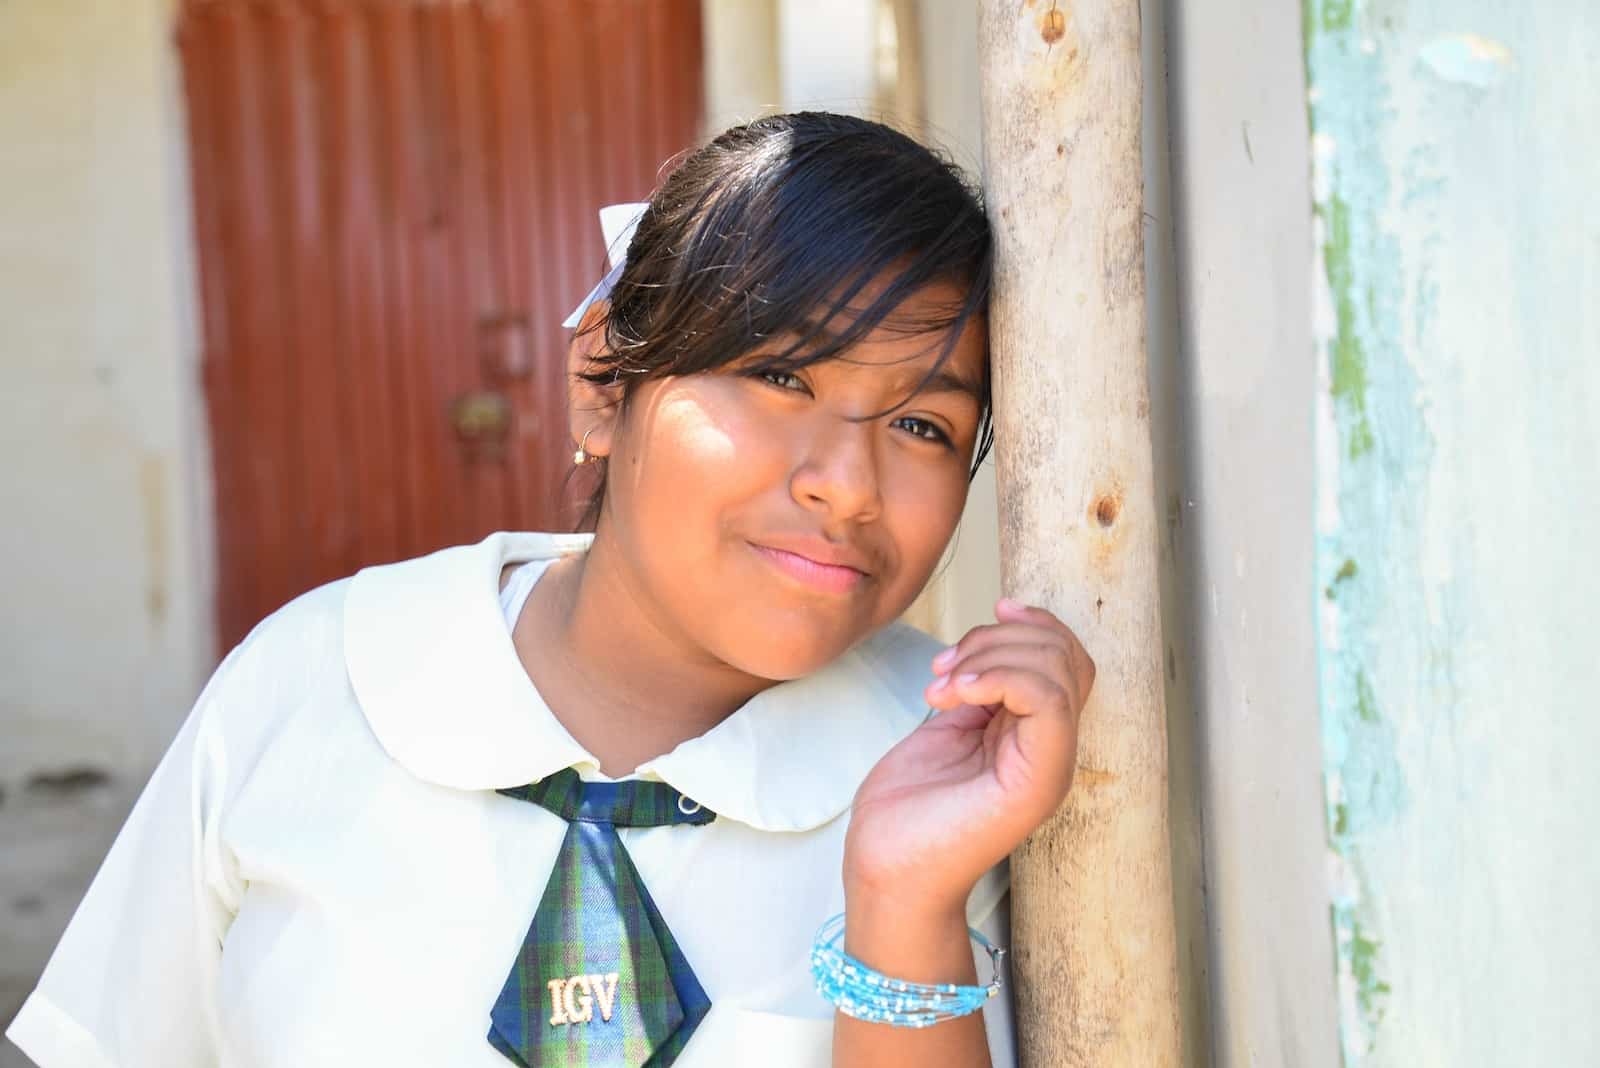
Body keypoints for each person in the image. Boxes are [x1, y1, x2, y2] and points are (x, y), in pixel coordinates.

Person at [5, 111, 1094, 1068]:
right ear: (600, 389)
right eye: (778, 375)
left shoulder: (956, 767)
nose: (846, 486)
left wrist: (901, 906)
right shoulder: (312, 685)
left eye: (921, 425)